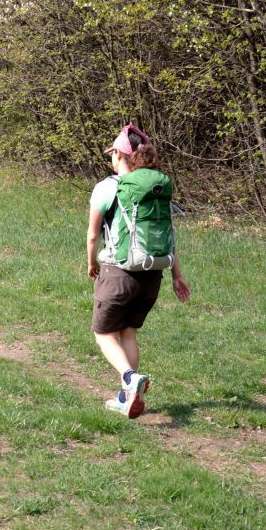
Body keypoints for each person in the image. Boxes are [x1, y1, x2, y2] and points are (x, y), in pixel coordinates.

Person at [86, 124, 190, 418]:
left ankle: (131, 379)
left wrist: (91, 263)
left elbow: (93, 235)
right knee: (128, 333)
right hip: (152, 275)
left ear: (118, 153)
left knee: (104, 334)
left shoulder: (109, 186)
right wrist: (176, 276)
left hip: (119, 273)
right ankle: (126, 397)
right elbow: (168, 234)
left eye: (112, 153)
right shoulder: (155, 190)